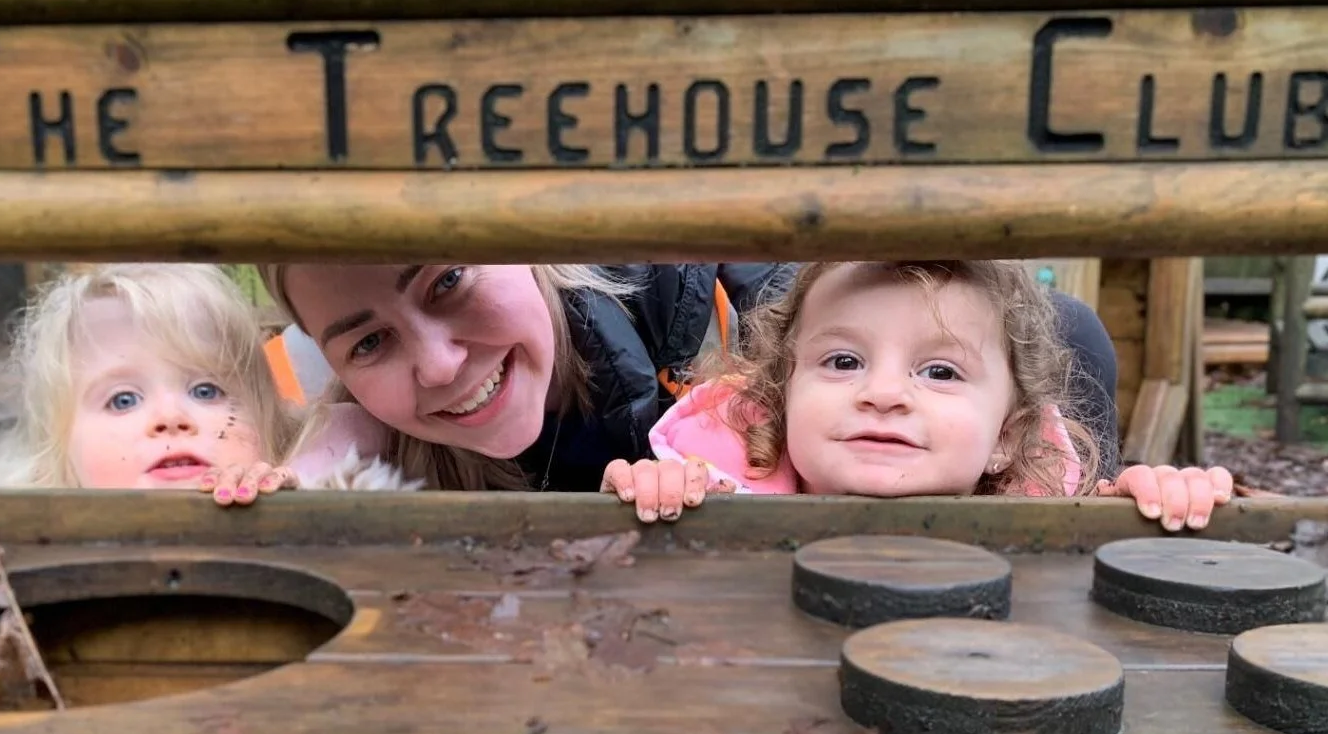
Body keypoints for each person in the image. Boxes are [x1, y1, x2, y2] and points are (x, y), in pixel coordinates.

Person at [262, 261, 1121, 491]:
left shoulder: (725, 333)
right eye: (366, 344)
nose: (440, 363)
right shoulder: (379, 437)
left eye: (448, 282)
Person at [601, 259, 1230, 532]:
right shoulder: (715, 496)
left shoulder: (1053, 521)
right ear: (781, 397)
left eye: (940, 372)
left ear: (1007, 437)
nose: (882, 394)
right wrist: (653, 500)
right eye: (843, 361)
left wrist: (1158, 503)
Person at [0, 264, 417, 498]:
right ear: (59, 455)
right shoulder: (36, 532)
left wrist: (295, 476)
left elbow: (354, 425)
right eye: (123, 400)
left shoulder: (286, 476)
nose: (170, 418)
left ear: (270, 425)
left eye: (207, 391)